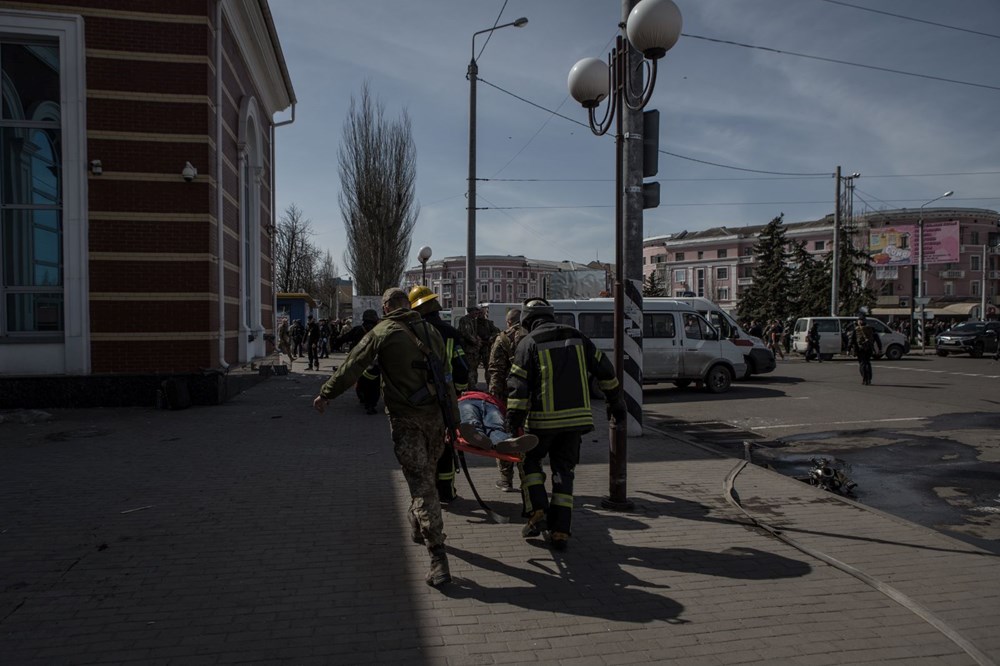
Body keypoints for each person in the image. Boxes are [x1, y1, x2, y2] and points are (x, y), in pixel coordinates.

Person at [312, 288, 459, 587]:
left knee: (421, 485)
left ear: (388, 307)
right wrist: (453, 421)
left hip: (406, 420)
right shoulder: (431, 331)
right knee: (426, 476)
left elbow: (353, 364)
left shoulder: (384, 330)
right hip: (435, 418)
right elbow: (446, 378)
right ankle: (419, 524)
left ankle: (438, 557)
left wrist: (327, 393)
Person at [507, 297, 626, 551]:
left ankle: (538, 509)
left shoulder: (528, 343)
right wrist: (616, 404)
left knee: (530, 463)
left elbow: (518, 386)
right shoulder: (579, 338)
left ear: (527, 321)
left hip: (541, 422)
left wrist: (513, 422)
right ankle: (560, 531)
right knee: (563, 474)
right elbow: (606, 371)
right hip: (576, 422)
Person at [408, 285, 470, 503]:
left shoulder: (408, 332)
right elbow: (462, 368)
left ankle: (425, 493)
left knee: (420, 447)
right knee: (444, 445)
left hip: (415, 401)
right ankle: (446, 492)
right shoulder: (450, 333)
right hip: (443, 400)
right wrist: (460, 393)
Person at [487, 308, 528, 492]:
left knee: (505, 435)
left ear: (509, 322)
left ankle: (506, 480)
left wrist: (494, 398)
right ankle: (528, 476)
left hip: (506, 396)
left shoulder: (502, 338)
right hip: (528, 396)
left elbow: (495, 370)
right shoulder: (531, 336)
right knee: (525, 436)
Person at [457, 390, 537, 455]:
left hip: (491, 404)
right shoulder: (463, 396)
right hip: (467, 401)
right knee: (471, 419)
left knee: (496, 426)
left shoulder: (493, 398)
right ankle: (477, 435)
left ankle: (504, 441)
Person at [849, 314, 882, 385]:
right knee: (867, 363)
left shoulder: (856, 329)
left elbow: (851, 340)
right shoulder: (871, 329)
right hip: (869, 348)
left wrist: (848, 349)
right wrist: (880, 348)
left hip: (860, 349)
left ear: (859, 321)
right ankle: (869, 379)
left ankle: (864, 378)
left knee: (862, 364)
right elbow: (877, 339)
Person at [457, 305, 483, 387]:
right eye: (475, 312)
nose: (477, 314)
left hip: (474, 350)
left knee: (474, 368)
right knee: (470, 369)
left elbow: (474, 334)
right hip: (468, 349)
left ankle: (474, 385)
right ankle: (471, 387)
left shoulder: (473, 320)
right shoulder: (464, 320)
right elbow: (466, 334)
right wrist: (475, 341)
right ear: (471, 312)